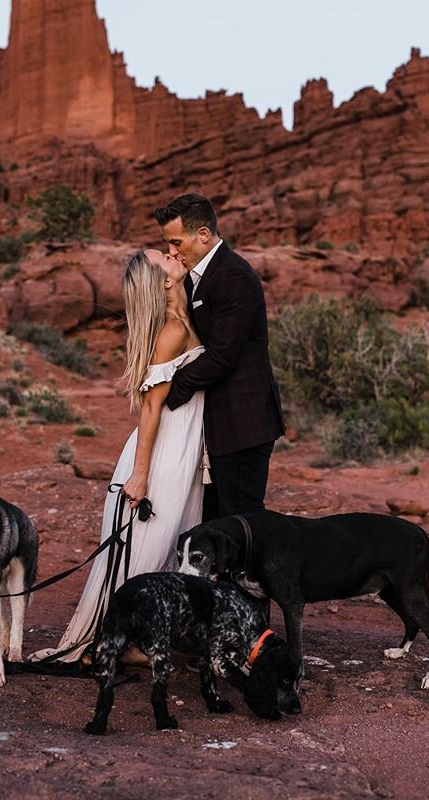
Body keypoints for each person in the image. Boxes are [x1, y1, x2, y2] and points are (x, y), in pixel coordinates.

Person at [28, 249, 205, 665]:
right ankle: (120, 640)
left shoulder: (184, 319)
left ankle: (135, 638)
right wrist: (140, 475)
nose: (173, 253)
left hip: (182, 448)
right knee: (151, 545)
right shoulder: (172, 332)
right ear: (163, 282)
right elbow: (150, 409)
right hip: (164, 453)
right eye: (164, 256)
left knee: (168, 543)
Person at [154, 193, 285, 518]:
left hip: (242, 423)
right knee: (214, 520)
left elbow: (222, 356)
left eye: (175, 241)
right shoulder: (201, 277)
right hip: (219, 423)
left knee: (240, 519)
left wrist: (170, 391)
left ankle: (248, 572)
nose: (172, 251)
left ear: (202, 234)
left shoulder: (232, 276)